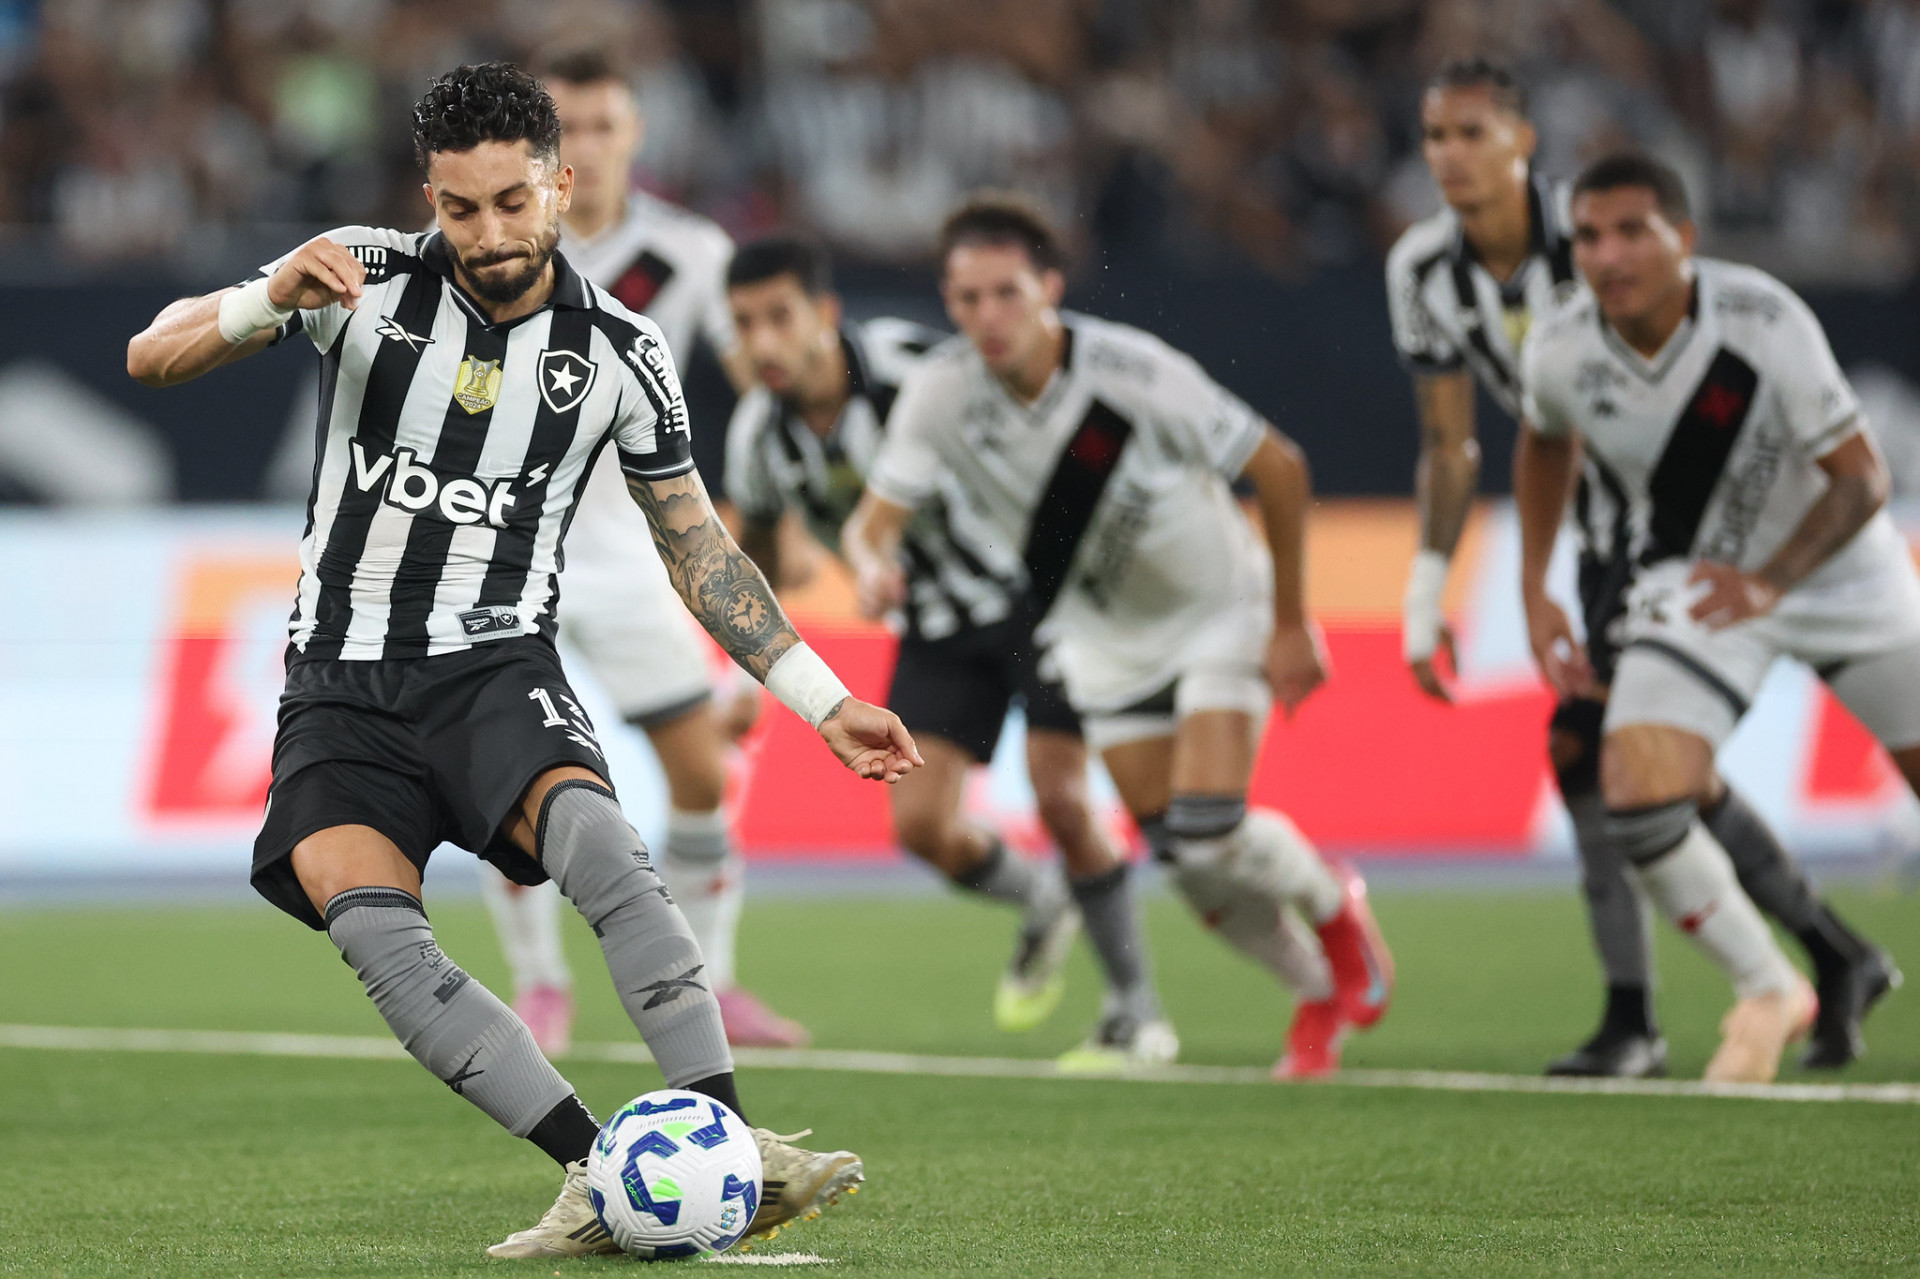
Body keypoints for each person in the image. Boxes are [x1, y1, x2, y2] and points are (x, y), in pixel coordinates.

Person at [125, 63, 920, 1257]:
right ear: (427, 196)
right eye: (459, 207)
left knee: (603, 845)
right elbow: (152, 352)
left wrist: (823, 698)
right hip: (338, 684)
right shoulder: (358, 275)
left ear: (561, 181)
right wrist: (261, 300)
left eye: (511, 201)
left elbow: (698, 549)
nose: (488, 234)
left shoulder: (621, 351)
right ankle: (596, 1170)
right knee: (378, 936)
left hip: (494, 664)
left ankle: (735, 1144)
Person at [1389, 57, 1894, 1075]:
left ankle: (1668, 1006)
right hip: (1605, 543)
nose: (1451, 156)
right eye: (1435, 135)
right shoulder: (1422, 273)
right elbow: (1460, 443)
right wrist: (1433, 585)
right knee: (1627, 765)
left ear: (1523, 142)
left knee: (1602, 756)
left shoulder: (1601, 245)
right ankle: (1809, 960)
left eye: (1473, 133)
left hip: (1670, 536)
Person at [845, 195, 1394, 1078]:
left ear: (1049, 287)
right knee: (1186, 860)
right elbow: (874, 521)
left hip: (1218, 608)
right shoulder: (942, 394)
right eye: (966, 298)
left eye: (1005, 293)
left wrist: (1292, 621)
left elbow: (1280, 467)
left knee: (1209, 829)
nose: (987, 317)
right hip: (1100, 638)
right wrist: (872, 565)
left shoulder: (1133, 374)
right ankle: (1316, 994)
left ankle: (1336, 908)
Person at [723, 234, 1171, 1064]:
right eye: (744, 323)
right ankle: (1044, 897)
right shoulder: (757, 437)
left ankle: (1136, 1011)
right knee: (923, 826)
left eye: (779, 316)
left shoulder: (915, 367)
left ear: (823, 313)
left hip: (1035, 599)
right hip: (933, 625)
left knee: (1062, 799)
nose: (762, 341)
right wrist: (751, 674)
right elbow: (751, 563)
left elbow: (1032, 418)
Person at [1517, 152, 1913, 1082]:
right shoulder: (1561, 347)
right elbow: (1543, 446)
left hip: (1841, 576)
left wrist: (1775, 580)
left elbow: (1863, 479)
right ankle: (1772, 985)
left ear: (1683, 241)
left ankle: (1837, 960)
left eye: (1631, 232)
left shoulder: (1764, 320)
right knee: (1635, 778)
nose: (1607, 256)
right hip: (1699, 581)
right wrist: (1534, 586)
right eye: (1588, 236)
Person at [464, 48, 807, 1059]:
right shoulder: (492, 242)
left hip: (634, 562)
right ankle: (540, 984)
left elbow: (758, 393)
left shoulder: (692, 254)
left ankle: (716, 980)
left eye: (608, 125)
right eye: (571, 128)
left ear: (637, 134)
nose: (593, 147)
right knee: (509, 786)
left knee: (702, 778)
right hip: (504, 560)